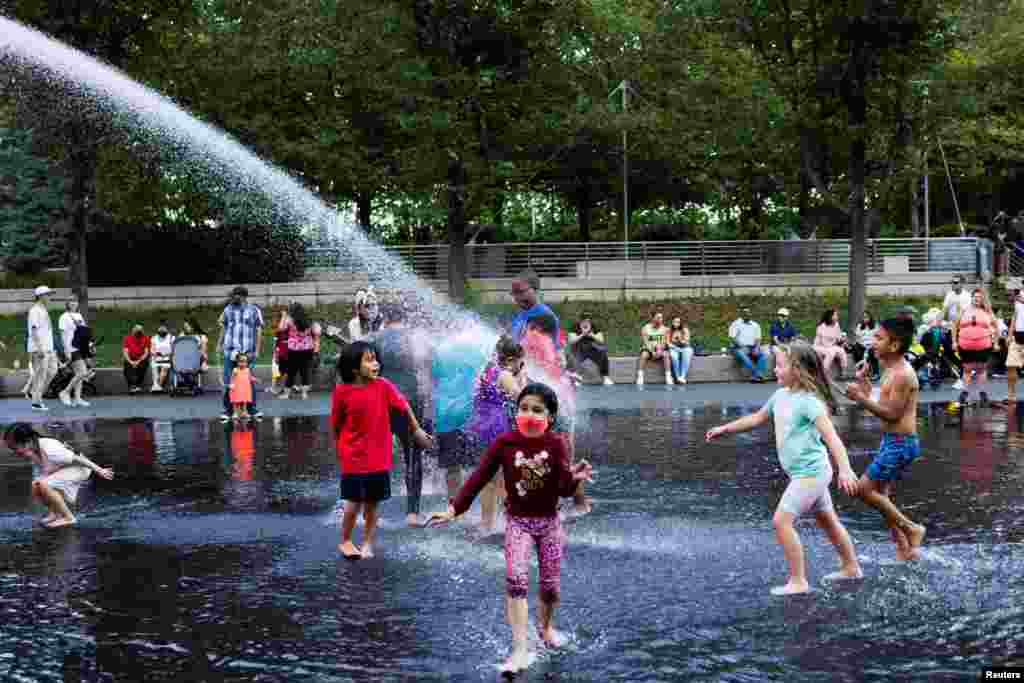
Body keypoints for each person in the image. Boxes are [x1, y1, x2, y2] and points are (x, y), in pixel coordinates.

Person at [428, 383, 593, 674]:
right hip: (518, 523)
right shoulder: (505, 443)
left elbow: (563, 489)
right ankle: (519, 650)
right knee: (516, 579)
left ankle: (546, 627)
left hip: (549, 524)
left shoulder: (557, 444)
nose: (529, 414)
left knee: (550, 588)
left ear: (550, 417)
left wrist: (575, 478)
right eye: (524, 408)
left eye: (537, 410)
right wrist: (454, 509)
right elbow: (478, 478)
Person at [706, 342, 862, 595]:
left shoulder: (810, 402)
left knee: (781, 521)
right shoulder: (781, 396)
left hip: (811, 473)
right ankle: (851, 567)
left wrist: (845, 469)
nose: (775, 370)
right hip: (806, 473)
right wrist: (726, 428)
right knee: (828, 521)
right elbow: (757, 418)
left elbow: (832, 438)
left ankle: (798, 581)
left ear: (797, 369)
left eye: (779, 365)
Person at [330, 340, 432, 559]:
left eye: (375, 359)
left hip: (379, 457)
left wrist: (416, 430)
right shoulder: (342, 391)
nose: (375, 364)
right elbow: (337, 424)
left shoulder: (383, 386)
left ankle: (367, 542)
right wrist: (340, 449)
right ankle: (346, 540)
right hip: (354, 457)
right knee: (353, 503)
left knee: (373, 504)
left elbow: (404, 406)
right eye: (369, 360)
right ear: (354, 368)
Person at [844, 317, 929, 561]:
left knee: (864, 489)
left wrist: (859, 398)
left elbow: (892, 414)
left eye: (879, 338)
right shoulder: (889, 368)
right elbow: (881, 403)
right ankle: (905, 550)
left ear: (894, 345)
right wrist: (864, 384)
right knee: (881, 496)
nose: (873, 341)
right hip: (892, 441)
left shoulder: (903, 375)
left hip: (901, 444)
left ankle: (912, 528)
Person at [375, 304, 431, 526]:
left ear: (385, 318)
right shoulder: (415, 338)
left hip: (382, 400)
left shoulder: (376, 338)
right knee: (413, 456)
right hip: (411, 400)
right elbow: (427, 365)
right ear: (404, 318)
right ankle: (412, 513)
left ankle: (374, 511)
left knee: (376, 455)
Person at [465, 336, 528, 533]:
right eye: (520, 362)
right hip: (497, 428)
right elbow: (523, 398)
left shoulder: (488, 369)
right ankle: (493, 523)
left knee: (491, 477)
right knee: (497, 478)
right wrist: (522, 378)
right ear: (510, 360)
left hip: (481, 424)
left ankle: (489, 522)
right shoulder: (505, 375)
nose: (521, 366)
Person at [431, 322, 491, 519]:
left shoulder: (439, 350)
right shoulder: (478, 348)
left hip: (446, 414)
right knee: (481, 467)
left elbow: (435, 380)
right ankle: (485, 516)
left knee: (452, 467)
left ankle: (455, 512)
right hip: (473, 414)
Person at [4, 422, 114, 529]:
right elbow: (44, 473)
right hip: (64, 469)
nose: (14, 452)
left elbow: (77, 458)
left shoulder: (50, 448)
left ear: (27, 442)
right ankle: (55, 513)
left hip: (79, 469)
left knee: (43, 484)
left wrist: (100, 470)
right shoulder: (34, 450)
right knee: (36, 484)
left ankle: (68, 518)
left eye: (14, 448)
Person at [217, 286, 264, 423]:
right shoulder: (227, 310)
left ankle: (252, 409)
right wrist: (219, 344)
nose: (233, 297)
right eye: (233, 295)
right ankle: (228, 410)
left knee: (248, 382)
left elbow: (259, 330)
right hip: (230, 351)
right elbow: (224, 328)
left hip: (247, 352)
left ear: (243, 296)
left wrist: (257, 350)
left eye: (236, 295)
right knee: (228, 381)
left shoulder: (254, 310)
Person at [953, 288, 999, 407]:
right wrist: (954, 342)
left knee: (981, 369)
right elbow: (954, 326)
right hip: (965, 345)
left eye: (979, 297)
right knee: (967, 369)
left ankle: (982, 393)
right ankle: (964, 392)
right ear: (971, 298)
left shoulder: (987, 311)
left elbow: (996, 326)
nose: (977, 299)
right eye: (975, 297)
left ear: (982, 299)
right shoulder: (964, 310)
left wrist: (996, 342)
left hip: (984, 345)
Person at [508, 270, 561, 350]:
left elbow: (546, 352)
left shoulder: (545, 317)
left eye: (521, 292)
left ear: (535, 291)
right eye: (514, 293)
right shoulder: (519, 314)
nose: (517, 297)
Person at [27, 285, 59, 411]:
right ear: (41, 296)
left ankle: (35, 393)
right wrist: (40, 349)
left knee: (53, 371)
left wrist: (51, 348)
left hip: (48, 348)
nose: (50, 297)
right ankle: (36, 402)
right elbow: (34, 331)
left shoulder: (43, 310)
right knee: (41, 375)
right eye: (48, 295)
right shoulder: (34, 310)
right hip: (40, 348)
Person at [280, 302, 318, 400]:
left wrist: (283, 316)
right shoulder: (309, 320)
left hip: (294, 349)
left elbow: (281, 328)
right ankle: (304, 394)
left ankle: (287, 394)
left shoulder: (289, 320)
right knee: (305, 371)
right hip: (307, 348)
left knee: (291, 372)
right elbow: (317, 332)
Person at [57, 297, 90, 407]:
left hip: (79, 348)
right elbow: (62, 335)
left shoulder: (79, 316)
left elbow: (83, 332)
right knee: (82, 373)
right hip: (71, 348)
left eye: (76, 301)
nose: (74, 303)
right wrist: (66, 350)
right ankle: (65, 392)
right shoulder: (64, 317)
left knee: (79, 374)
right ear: (67, 304)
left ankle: (77, 398)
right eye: (71, 302)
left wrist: (88, 345)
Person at [566, 314, 613, 385]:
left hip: (592, 347)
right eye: (584, 321)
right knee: (571, 355)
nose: (586, 323)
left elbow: (601, 340)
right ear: (580, 321)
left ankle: (605, 376)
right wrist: (582, 334)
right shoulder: (574, 326)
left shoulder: (595, 326)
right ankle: (576, 378)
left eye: (588, 321)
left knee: (603, 352)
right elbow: (571, 341)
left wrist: (592, 335)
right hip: (579, 348)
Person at [728, 307, 769, 383]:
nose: (746, 314)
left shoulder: (755, 325)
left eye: (748, 312)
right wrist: (742, 346)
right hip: (738, 348)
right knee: (744, 355)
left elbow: (758, 339)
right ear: (741, 314)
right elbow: (732, 338)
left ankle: (754, 377)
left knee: (762, 355)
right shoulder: (736, 323)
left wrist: (757, 347)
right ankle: (759, 374)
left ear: (750, 314)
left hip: (752, 347)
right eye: (744, 312)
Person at [636, 311, 672, 385]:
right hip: (649, 348)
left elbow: (665, 342)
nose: (661, 319)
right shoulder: (645, 328)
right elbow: (645, 342)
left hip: (660, 348)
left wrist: (659, 350)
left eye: (661, 318)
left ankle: (668, 376)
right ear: (653, 318)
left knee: (666, 355)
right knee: (643, 355)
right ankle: (640, 376)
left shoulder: (666, 329)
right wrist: (652, 351)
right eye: (658, 317)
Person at [813, 308, 849, 378]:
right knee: (831, 352)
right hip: (819, 346)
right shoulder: (821, 327)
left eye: (836, 315)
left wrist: (842, 340)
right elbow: (824, 343)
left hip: (832, 346)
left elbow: (838, 336)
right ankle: (823, 372)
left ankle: (843, 371)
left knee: (841, 351)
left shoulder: (836, 325)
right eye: (835, 315)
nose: (837, 317)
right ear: (830, 317)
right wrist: (835, 344)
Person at [1006, 289, 1024, 404]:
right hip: (1017, 337)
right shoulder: (1019, 295)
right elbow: (1015, 316)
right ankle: (1011, 395)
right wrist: (1009, 334)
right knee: (1010, 366)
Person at [851, 311, 880, 380]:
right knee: (855, 348)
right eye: (863, 317)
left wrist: (872, 344)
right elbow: (858, 337)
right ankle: (862, 370)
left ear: (870, 318)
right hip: (862, 344)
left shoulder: (875, 326)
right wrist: (860, 343)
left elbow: (878, 337)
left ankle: (876, 373)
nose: (865, 319)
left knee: (872, 352)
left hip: (872, 345)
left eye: (866, 317)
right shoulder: (860, 326)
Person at [182, 318, 209, 389]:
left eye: (187, 326)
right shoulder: (182, 336)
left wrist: (204, 361)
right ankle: (191, 382)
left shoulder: (201, 337)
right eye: (185, 326)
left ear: (193, 327)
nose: (185, 328)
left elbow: (204, 351)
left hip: (197, 359)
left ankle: (190, 382)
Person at [122, 324, 150, 393]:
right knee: (127, 369)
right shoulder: (127, 338)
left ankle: (137, 385)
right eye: (137, 331)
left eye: (140, 331)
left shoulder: (146, 338)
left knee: (143, 366)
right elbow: (125, 352)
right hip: (130, 358)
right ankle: (132, 386)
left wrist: (138, 361)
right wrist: (131, 361)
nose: (139, 332)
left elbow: (146, 352)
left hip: (141, 359)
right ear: (133, 331)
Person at [269, 307, 290, 395]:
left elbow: (275, 342)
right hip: (282, 351)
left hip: (284, 351)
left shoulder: (284, 329)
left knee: (281, 371)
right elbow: (275, 341)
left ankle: (278, 388)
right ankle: (278, 387)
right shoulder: (280, 329)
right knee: (280, 371)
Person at [149, 321, 175, 392]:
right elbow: (152, 350)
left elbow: (173, 350)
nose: (162, 330)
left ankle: (158, 386)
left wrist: (167, 354)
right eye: (161, 329)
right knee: (154, 367)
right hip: (157, 357)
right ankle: (156, 385)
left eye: (164, 329)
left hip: (167, 357)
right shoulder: (154, 338)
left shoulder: (171, 338)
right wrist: (155, 353)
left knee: (164, 368)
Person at [667, 316, 694, 384]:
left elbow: (687, 342)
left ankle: (682, 376)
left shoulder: (685, 330)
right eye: (674, 322)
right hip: (674, 348)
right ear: (672, 323)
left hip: (684, 347)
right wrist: (676, 348)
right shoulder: (669, 331)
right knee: (673, 356)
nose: (676, 323)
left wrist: (680, 340)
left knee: (688, 352)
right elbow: (668, 343)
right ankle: (677, 376)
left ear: (681, 323)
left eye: (678, 322)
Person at [228, 352, 254, 420]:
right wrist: (231, 384)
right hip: (237, 388)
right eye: (241, 362)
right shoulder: (235, 370)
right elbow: (232, 378)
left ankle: (244, 412)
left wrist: (256, 379)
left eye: (245, 362)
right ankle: (236, 412)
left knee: (244, 401)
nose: (243, 364)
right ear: (237, 362)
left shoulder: (247, 370)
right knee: (236, 401)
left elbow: (250, 377)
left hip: (245, 389)